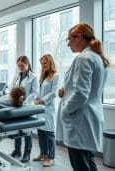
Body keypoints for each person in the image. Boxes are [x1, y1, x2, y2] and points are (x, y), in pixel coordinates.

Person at [57, 23, 110, 171]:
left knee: (80, 164)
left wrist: (65, 110)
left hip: (80, 120)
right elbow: (89, 89)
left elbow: (81, 93)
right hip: (89, 116)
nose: (68, 44)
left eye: (69, 39)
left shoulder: (83, 58)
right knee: (88, 160)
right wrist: (66, 91)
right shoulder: (97, 58)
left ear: (79, 37)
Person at [10, 56, 38, 162]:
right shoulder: (17, 76)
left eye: (22, 65)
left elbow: (35, 93)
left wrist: (24, 100)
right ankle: (17, 151)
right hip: (17, 106)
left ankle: (27, 153)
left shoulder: (33, 77)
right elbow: (12, 88)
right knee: (17, 129)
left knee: (27, 130)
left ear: (27, 64)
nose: (20, 67)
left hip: (27, 107)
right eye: (19, 66)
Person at [33, 54, 59, 167]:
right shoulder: (43, 76)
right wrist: (37, 99)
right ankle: (43, 153)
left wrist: (43, 100)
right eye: (41, 63)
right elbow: (40, 90)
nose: (43, 65)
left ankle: (51, 157)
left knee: (49, 133)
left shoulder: (55, 76)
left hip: (49, 108)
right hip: (40, 108)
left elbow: (54, 93)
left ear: (50, 63)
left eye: (45, 63)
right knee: (41, 132)